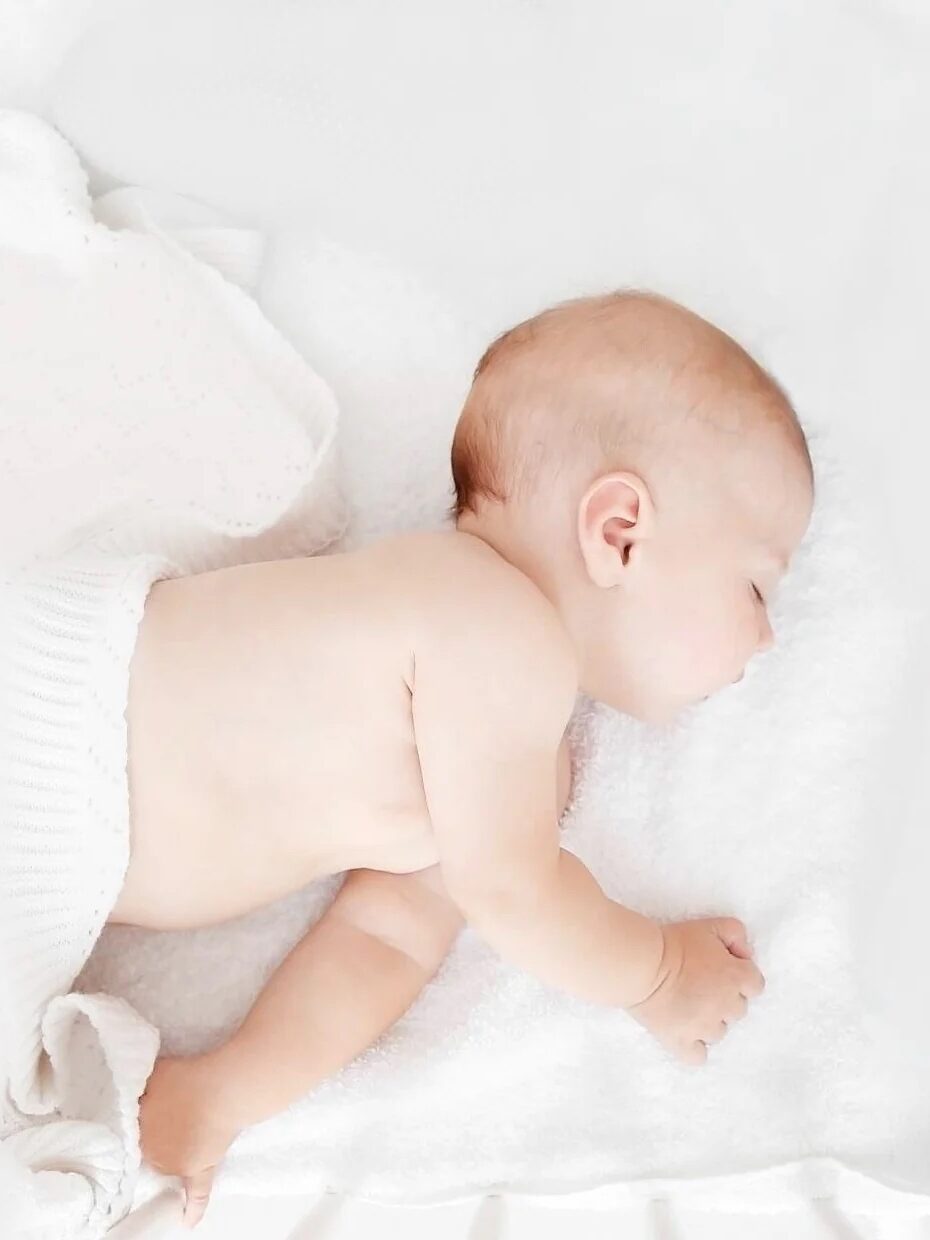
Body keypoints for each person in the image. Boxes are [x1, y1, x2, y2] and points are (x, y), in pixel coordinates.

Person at [15, 290, 817, 1227]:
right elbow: (514, 896)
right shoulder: (485, 620)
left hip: (53, 849)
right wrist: (659, 974)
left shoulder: (515, 751)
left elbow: (383, 939)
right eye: (758, 586)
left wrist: (224, 1095)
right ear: (620, 532)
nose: (766, 642)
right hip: (45, 725)